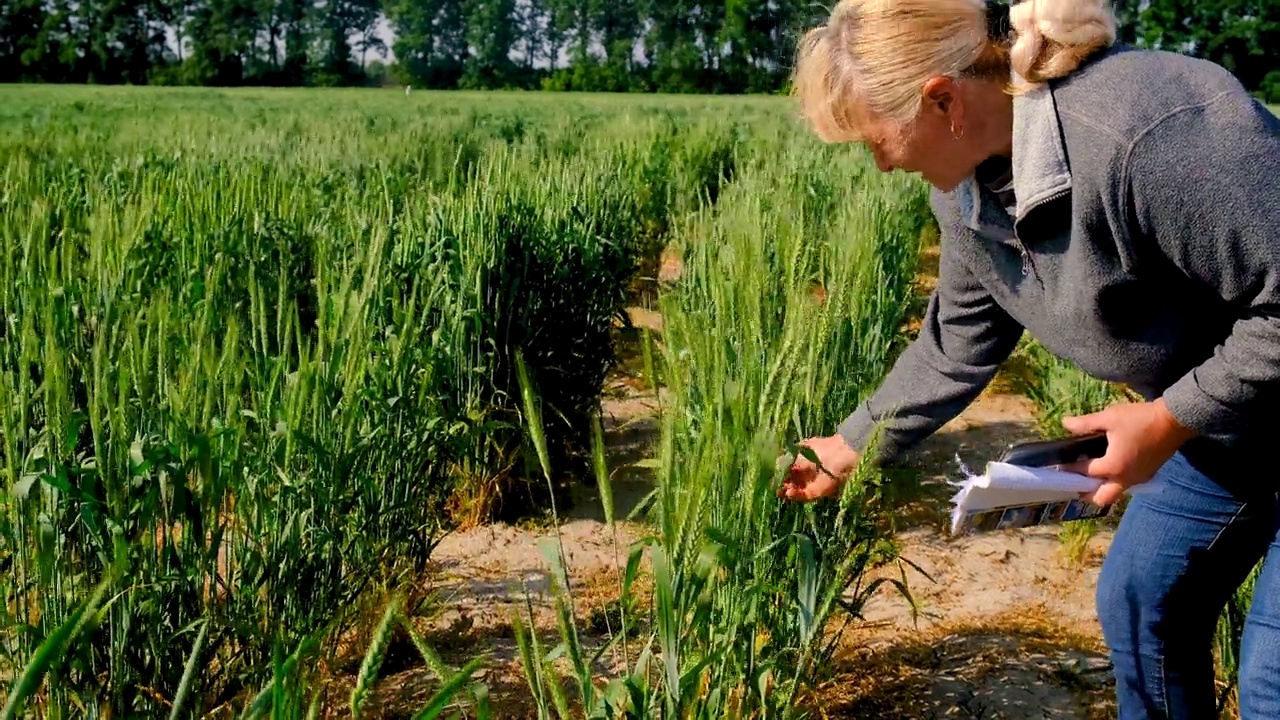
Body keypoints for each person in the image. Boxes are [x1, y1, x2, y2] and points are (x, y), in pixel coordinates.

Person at [777, 0, 1280, 718]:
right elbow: (955, 345)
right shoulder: (968, 195)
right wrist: (848, 446)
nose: (883, 164)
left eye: (876, 141)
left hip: (1226, 403)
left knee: (1271, 686)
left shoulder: (1146, 136)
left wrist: (1168, 419)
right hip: (1237, 419)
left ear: (944, 101)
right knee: (1141, 607)